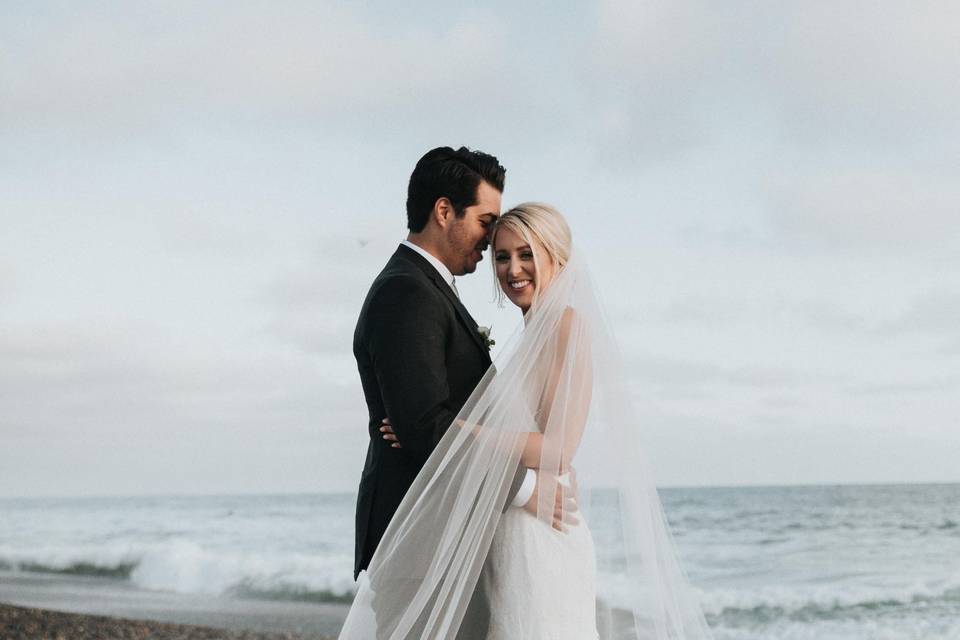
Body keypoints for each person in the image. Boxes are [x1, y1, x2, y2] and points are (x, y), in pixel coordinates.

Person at [340, 202, 713, 639]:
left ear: (558, 258)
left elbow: (558, 449)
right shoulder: (527, 339)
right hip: (506, 529)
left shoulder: (567, 327)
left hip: (540, 534)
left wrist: (451, 430)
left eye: (527, 254)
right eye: (502, 256)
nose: (513, 269)